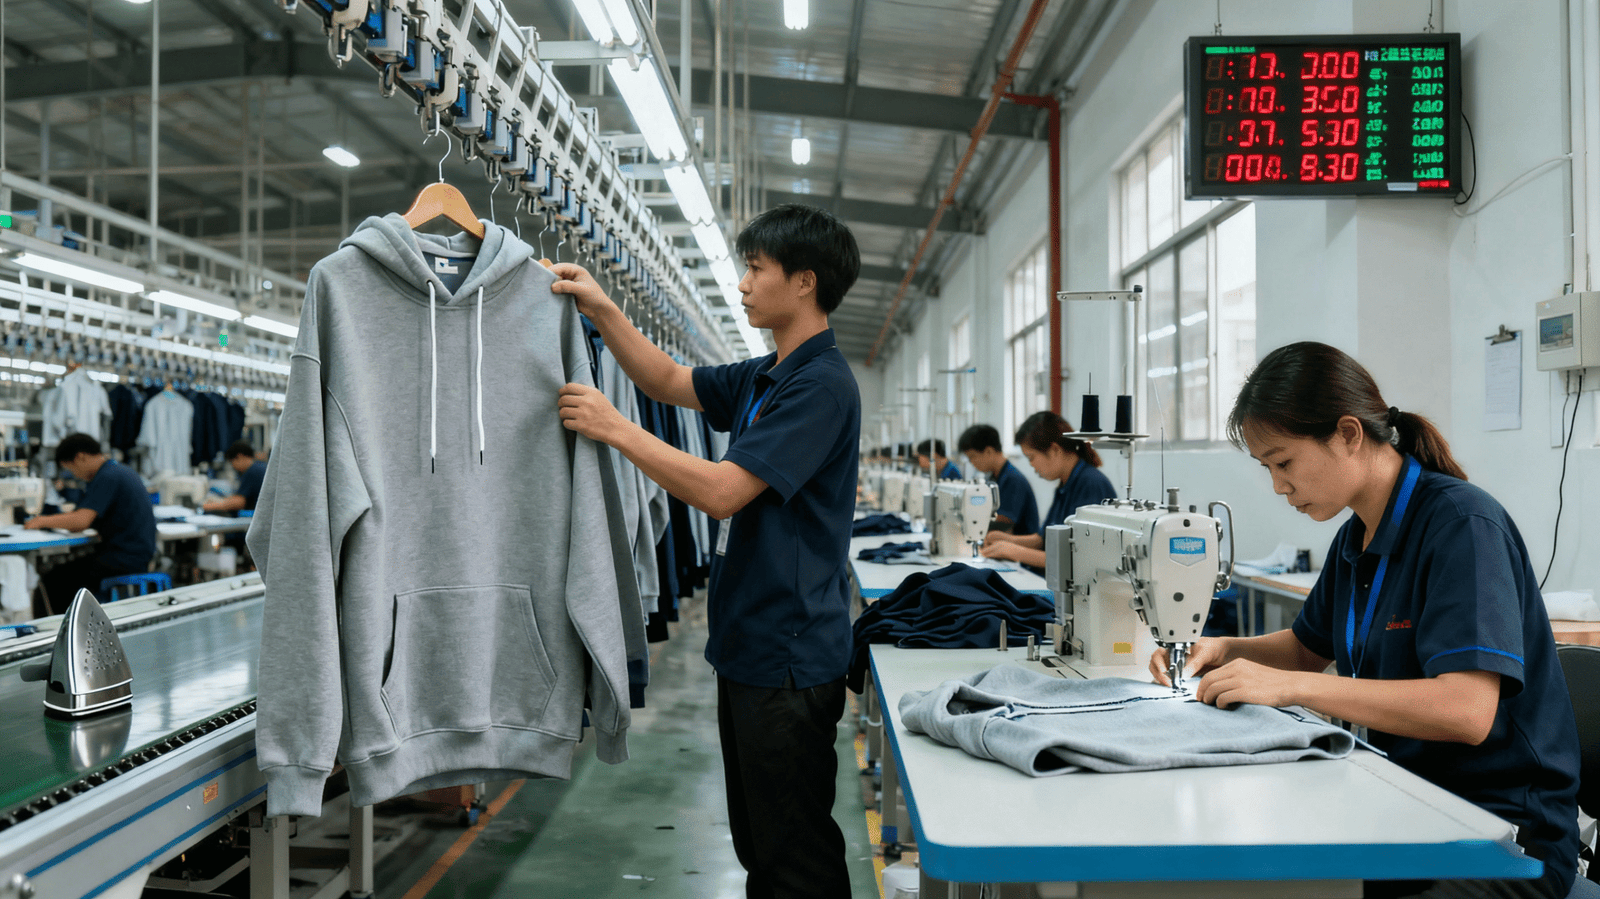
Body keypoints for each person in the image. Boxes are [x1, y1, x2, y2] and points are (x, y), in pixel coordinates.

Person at [1151, 342, 1580, 899]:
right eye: (1268, 469)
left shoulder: (1462, 526)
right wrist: (1224, 648)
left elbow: (1467, 710)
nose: (1279, 486)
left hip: (1501, 834)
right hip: (1408, 802)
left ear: (1348, 434)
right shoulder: (1357, 537)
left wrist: (1289, 689)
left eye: (1284, 462)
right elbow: (1308, 647)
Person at [553, 203, 861, 899]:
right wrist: (603, 309)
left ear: (804, 281)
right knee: (761, 845)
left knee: (795, 856)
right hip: (748, 647)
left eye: (755, 268)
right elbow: (667, 380)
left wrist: (615, 429)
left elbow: (723, 492)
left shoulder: (821, 386)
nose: (744, 284)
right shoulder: (767, 374)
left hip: (787, 659)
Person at [29, 433, 157, 612]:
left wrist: (41, 521)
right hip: (136, 553)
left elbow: (81, 520)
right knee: (69, 570)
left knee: (54, 579)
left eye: (72, 469)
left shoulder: (108, 476)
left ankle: (62, 632)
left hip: (125, 558)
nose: (75, 475)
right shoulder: (119, 470)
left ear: (80, 457)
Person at [981, 411, 1117, 574]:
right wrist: (1006, 540)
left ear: (1054, 450)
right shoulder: (1066, 484)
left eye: (1031, 457)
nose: (1032, 465)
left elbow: (1074, 560)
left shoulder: (1090, 485)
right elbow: (1043, 539)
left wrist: (1011, 550)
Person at [956, 423, 1040, 536]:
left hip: (1018, 545)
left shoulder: (1012, 480)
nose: (971, 462)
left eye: (972, 456)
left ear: (989, 451)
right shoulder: (994, 478)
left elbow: (1004, 522)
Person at [202, 441, 267, 515]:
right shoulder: (260, 467)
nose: (233, 467)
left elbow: (239, 502)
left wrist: (209, 506)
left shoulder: (253, 471)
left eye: (232, 462)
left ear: (240, 456)